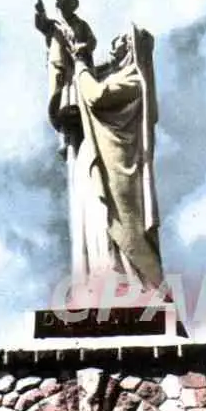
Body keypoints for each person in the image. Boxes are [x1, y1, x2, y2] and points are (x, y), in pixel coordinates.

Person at [67, 27, 164, 297]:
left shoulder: (133, 81)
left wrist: (80, 62)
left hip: (118, 167)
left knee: (114, 218)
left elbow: (96, 96)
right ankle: (106, 274)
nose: (113, 47)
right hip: (100, 160)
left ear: (133, 49)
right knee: (97, 217)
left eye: (121, 41)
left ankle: (128, 279)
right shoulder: (116, 77)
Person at [34, 0, 97, 145]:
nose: (61, 4)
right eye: (60, 1)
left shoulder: (81, 24)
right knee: (59, 95)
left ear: (72, 5)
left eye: (65, 1)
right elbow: (42, 25)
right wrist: (40, 12)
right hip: (59, 64)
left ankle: (79, 125)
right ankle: (64, 137)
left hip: (78, 63)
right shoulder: (54, 25)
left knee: (77, 94)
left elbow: (92, 41)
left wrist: (84, 46)